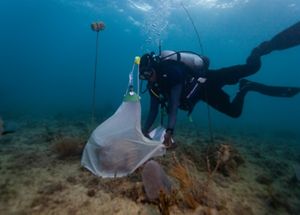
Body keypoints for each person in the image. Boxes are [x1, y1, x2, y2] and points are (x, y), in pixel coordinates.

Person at [139, 21, 300, 149]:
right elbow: (153, 109)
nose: (147, 79)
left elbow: (174, 104)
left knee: (253, 67)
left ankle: (262, 49)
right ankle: (246, 87)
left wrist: (169, 131)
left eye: (148, 74)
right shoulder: (154, 85)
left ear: (154, 68)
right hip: (204, 94)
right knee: (235, 112)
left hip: (211, 78)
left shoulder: (171, 72)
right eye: (143, 76)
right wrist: (144, 130)